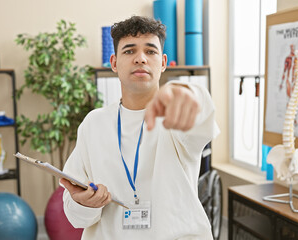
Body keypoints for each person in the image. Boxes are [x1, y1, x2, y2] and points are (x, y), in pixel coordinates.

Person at [60, 16, 219, 239]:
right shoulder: (93, 124)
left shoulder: (176, 116)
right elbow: (76, 217)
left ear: (163, 63)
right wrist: (84, 204)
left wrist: (188, 93)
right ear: (114, 63)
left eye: (151, 51)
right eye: (129, 51)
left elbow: (200, 115)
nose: (141, 59)